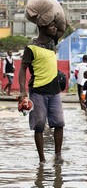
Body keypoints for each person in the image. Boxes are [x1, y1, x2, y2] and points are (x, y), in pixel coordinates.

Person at [18, 21, 65, 164]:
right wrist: (22, 91)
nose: (54, 28)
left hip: (55, 91)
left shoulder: (52, 42)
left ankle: (58, 156)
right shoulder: (31, 47)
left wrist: (53, 16)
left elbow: (63, 26)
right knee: (39, 126)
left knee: (59, 123)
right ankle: (42, 160)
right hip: (37, 91)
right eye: (51, 26)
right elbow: (22, 69)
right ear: (41, 27)